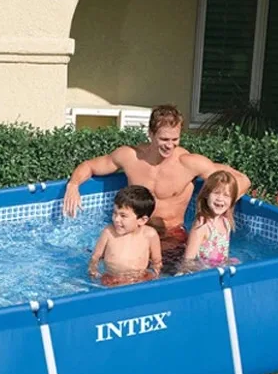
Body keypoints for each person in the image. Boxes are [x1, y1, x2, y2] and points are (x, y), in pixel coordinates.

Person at [63, 104, 251, 273]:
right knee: (111, 267)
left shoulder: (189, 163)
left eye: (175, 139)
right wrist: (73, 185)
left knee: (166, 276)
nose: (170, 145)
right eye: (164, 139)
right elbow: (90, 166)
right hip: (136, 231)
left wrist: (219, 203)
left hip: (172, 237)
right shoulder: (130, 157)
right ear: (151, 134)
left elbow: (242, 180)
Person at [88, 186, 162, 287]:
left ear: (142, 220)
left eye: (123, 216)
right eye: (115, 213)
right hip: (111, 279)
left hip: (139, 280)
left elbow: (157, 261)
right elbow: (95, 257)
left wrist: (154, 277)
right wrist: (93, 271)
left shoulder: (150, 235)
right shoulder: (108, 232)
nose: (116, 219)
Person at [182, 170, 239, 269]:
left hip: (217, 269)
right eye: (216, 193)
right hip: (202, 271)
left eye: (226, 195)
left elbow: (223, 254)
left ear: (232, 200)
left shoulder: (226, 222)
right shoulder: (202, 224)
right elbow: (188, 260)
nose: (220, 198)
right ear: (206, 194)